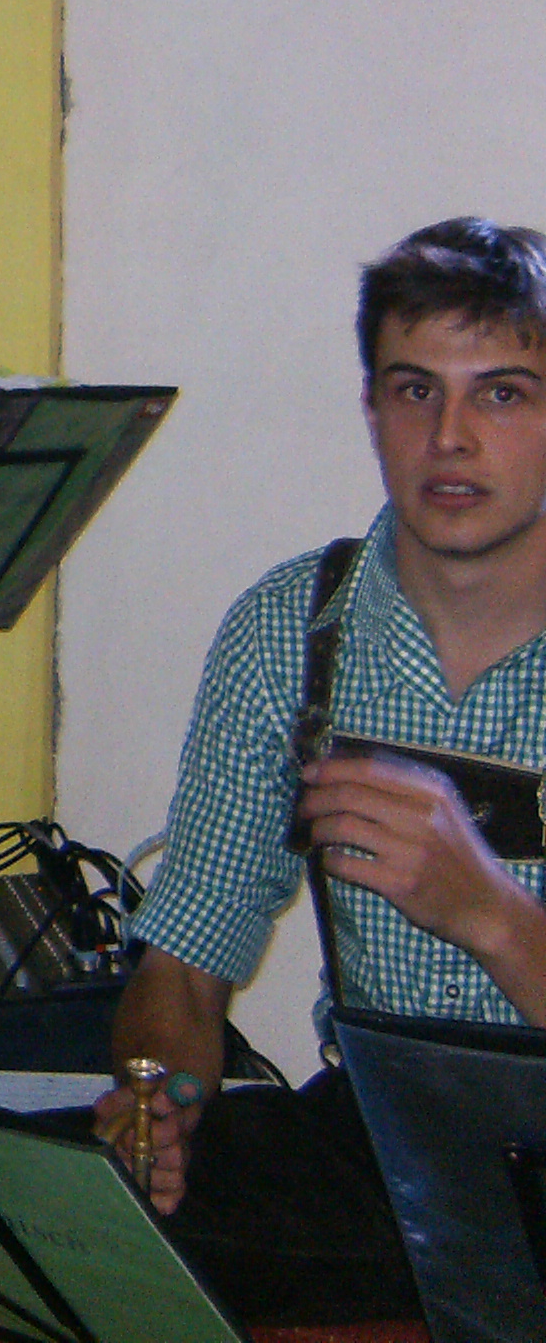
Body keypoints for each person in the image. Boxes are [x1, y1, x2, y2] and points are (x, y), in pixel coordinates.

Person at [96, 216, 546, 1323]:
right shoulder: (291, 631)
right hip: (384, 1147)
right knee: (52, 1208)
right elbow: (185, 971)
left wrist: (488, 912)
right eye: (413, 390)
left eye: (501, 394)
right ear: (371, 410)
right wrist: (163, 1102)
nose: (450, 438)